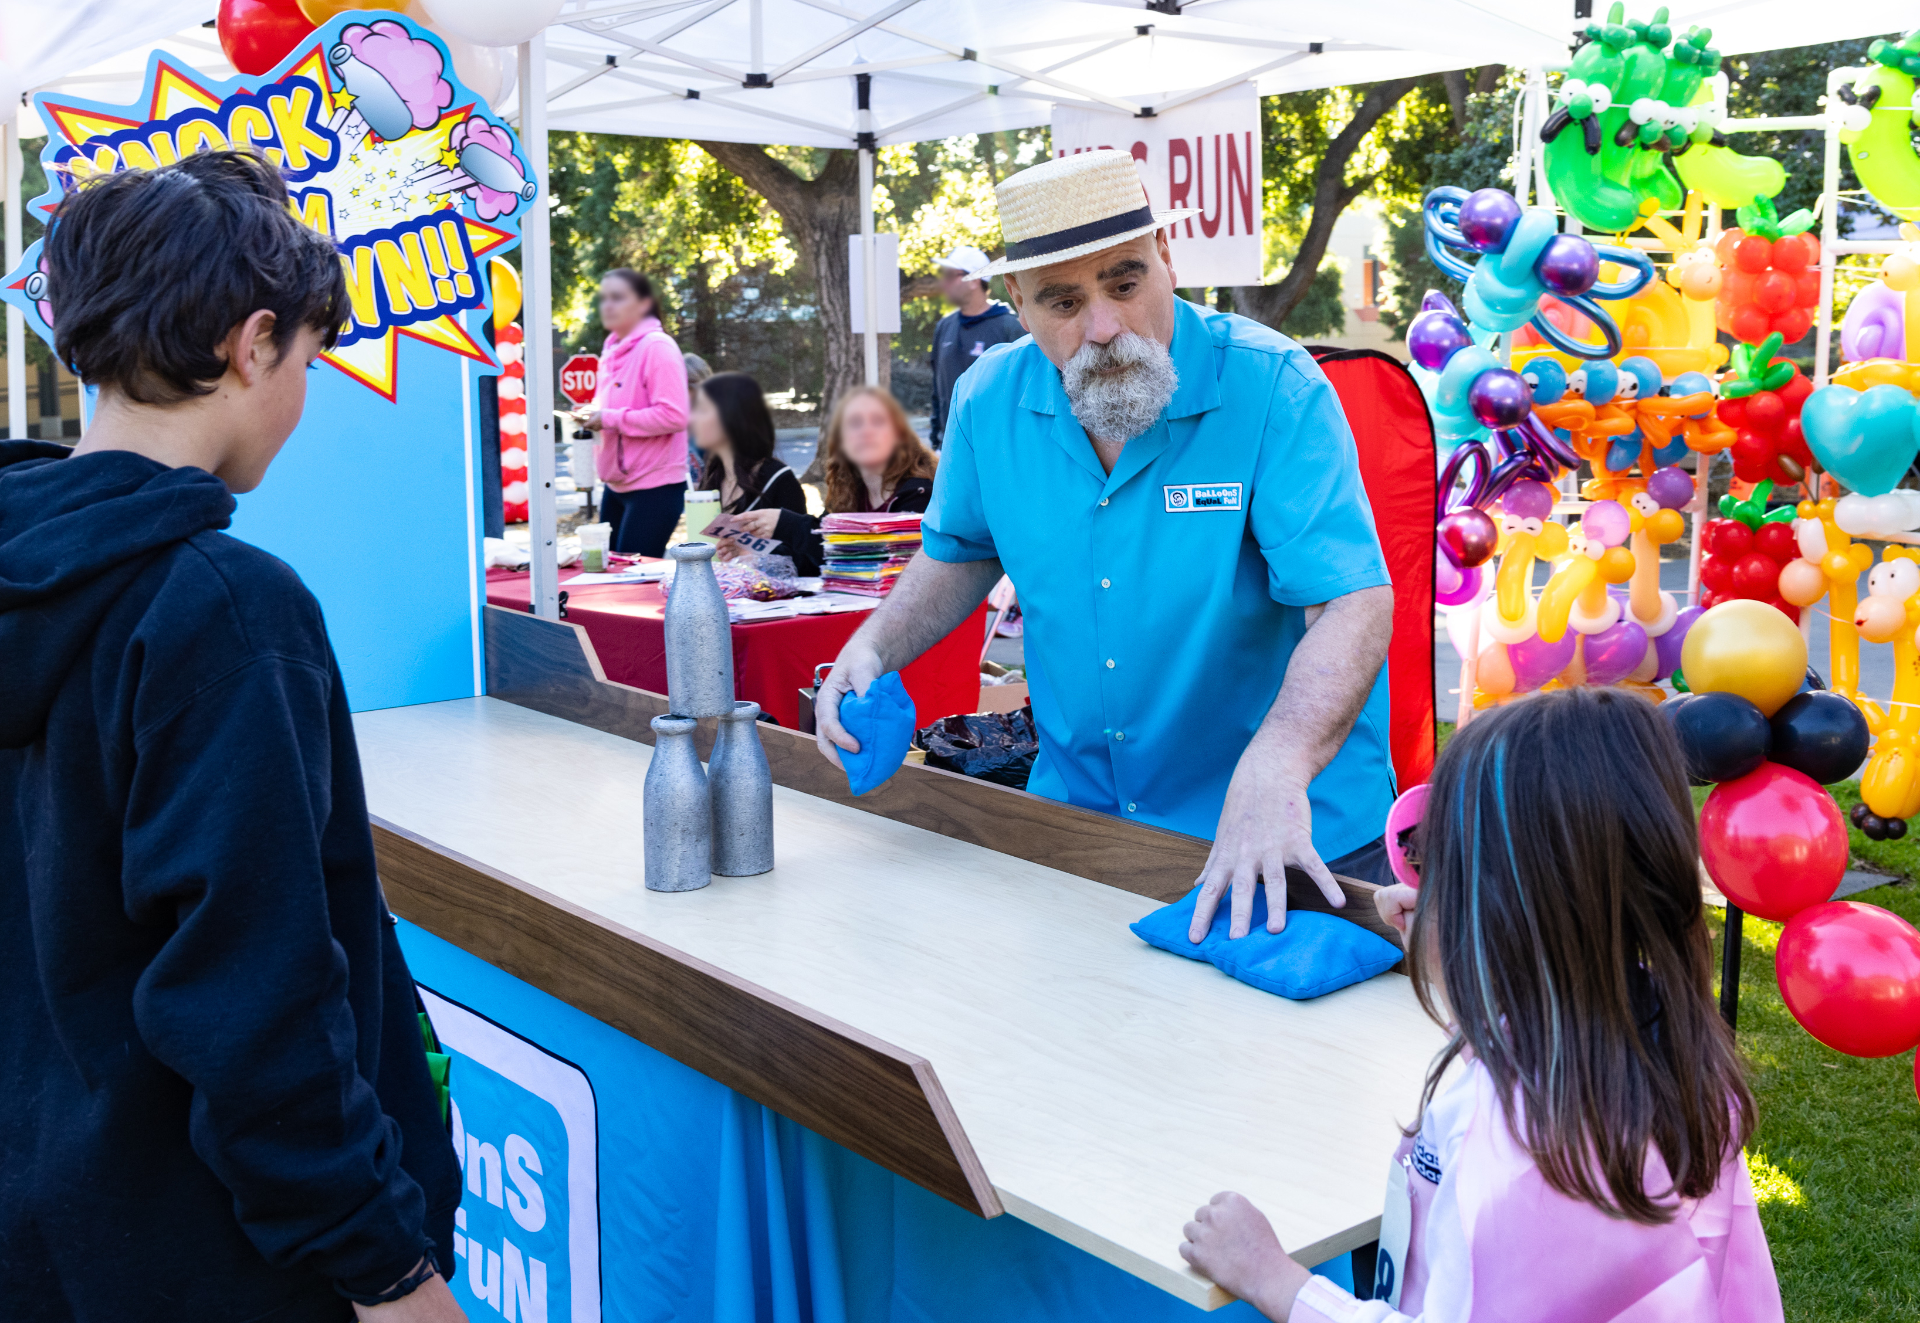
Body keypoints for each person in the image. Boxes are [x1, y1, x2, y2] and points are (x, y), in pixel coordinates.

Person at [0, 152, 465, 1320]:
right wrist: (391, 1274)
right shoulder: (221, 608)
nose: (303, 395)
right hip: (212, 1261)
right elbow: (256, 1004)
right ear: (252, 344)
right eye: (307, 360)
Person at [814, 148, 1398, 932]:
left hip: (1287, 830)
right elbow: (960, 552)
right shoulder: (989, 399)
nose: (1105, 327)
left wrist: (1279, 761)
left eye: (1125, 281)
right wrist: (874, 646)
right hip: (1085, 826)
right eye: (1062, 301)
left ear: (1168, 259)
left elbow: (1353, 600)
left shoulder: (1274, 385)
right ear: (1016, 304)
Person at [1178, 689, 1783, 1322]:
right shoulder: (1662, 1043)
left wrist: (1276, 1280)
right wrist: (1455, 955)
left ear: (1500, 911)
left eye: (1428, 862)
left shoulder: (1512, 1153)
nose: (1403, 887)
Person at [713, 385, 936, 571]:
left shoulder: (921, 494)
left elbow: (877, 559)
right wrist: (756, 552)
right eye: (854, 424)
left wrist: (787, 524)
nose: (866, 431)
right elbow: (820, 556)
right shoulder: (849, 496)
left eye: (878, 422)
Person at [572, 268, 689, 556]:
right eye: (604, 298)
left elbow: (675, 415)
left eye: (617, 298)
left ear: (643, 304)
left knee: (631, 586)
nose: (607, 306)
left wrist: (609, 418)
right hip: (617, 485)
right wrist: (594, 414)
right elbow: (619, 408)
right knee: (606, 576)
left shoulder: (658, 347)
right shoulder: (611, 350)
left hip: (656, 487)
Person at [692, 372, 814, 571]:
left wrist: (752, 554)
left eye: (704, 410)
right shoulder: (712, 477)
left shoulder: (778, 479)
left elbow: (805, 560)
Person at [927, 245, 1023, 449]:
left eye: (950, 275)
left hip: (998, 448)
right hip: (951, 448)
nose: (943, 282)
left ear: (973, 281)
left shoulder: (1011, 328)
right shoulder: (944, 327)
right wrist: (937, 438)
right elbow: (938, 388)